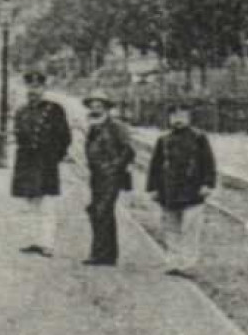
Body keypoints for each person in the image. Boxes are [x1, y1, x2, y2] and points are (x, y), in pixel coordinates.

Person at [145, 101, 219, 277]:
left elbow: (208, 163)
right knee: (171, 226)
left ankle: (188, 263)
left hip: (192, 190)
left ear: (189, 118)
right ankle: (173, 261)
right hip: (169, 190)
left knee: (190, 227)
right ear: (169, 118)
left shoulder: (199, 138)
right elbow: (155, 165)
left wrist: (207, 184)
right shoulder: (164, 139)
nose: (178, 120)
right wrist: (153, 188)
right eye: (174, 116)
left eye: (182, 116)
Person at [11, 70, 72, 256]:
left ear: (44, 88)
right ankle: (33, 241)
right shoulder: (21, 111)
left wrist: (55, 157)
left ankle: (47, 243)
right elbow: (20, 136)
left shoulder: (55, 110)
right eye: (30, 86)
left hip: (46, 162)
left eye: (37, 87)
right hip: (27, 162)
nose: (33, 91)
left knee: (47, 205)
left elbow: (65, 137)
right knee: (30, 204)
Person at [80, 92, 136, 266]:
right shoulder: (94, 127)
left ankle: (100, 254)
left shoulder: (115, 126)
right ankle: (107, 254)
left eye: (99, 106)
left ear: (106, 108)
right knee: (99, 212)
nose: (95, 109)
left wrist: (113, 168)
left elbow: (128, 151)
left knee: (101, 211)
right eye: (92, 106)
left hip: (111, 177)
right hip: (97, 177)